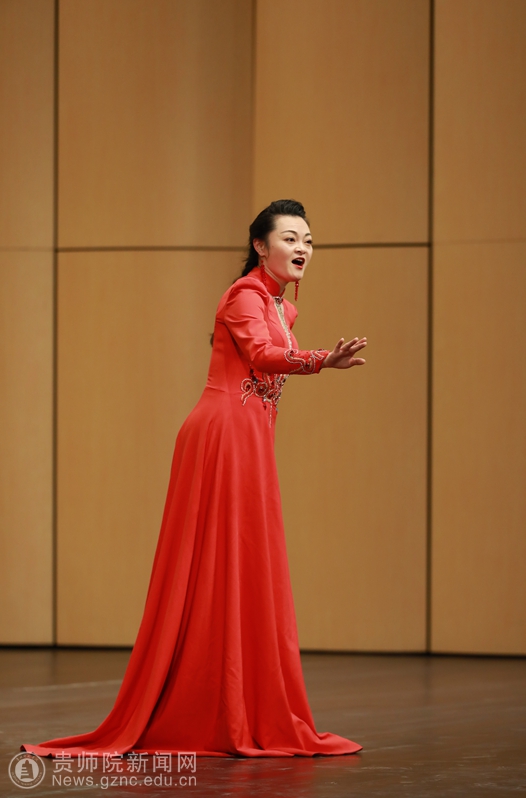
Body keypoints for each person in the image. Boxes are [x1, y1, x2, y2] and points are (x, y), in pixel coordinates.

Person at [23, 199, 366, 758]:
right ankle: (208, 703)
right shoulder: (244, 295)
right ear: (260, 246)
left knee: (245, 560)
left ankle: (243, 699)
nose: (302, 247)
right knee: (214, 561)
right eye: (290, 238)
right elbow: (261, 355)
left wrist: (314, 359)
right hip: (222, 433)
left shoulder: (285, 308)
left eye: (308, 239)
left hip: (252, 437)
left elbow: (270, 361)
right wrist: (322, 360)